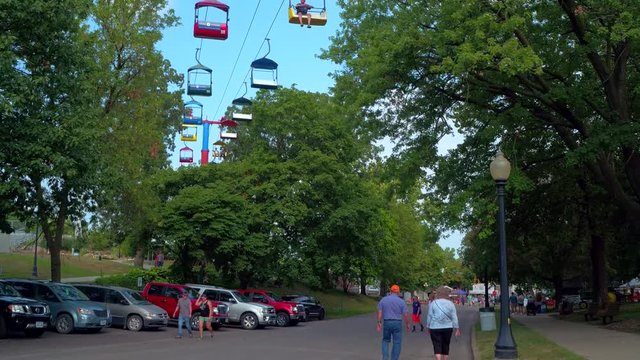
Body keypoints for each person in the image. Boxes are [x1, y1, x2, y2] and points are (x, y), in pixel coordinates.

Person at [427, 286, 461, 360]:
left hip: (435, 327)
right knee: (446, 345)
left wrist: (428, 326)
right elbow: (454, 316)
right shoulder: (450, 304)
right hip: (448, 327)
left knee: (437, 345)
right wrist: (457, 328)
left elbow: (429, 315)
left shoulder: (433, 303)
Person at [377, 284, 410, 360]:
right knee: (397, 342)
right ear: (398, 292)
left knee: (385, 340)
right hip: (397, 323)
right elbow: (405, 314)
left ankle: (385, 358)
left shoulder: (384, 300)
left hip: (387, 322)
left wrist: (379, 322)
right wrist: (407, 323)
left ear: (390, 291)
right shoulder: (401, 302)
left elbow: (380, 312)